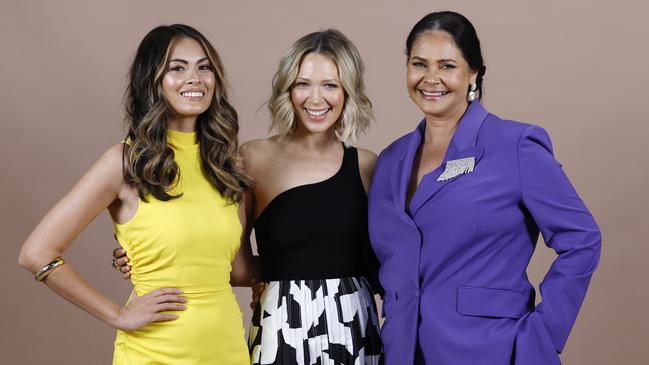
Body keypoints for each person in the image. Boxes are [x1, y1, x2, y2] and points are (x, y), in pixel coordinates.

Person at [367, 11, 602, 365]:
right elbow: (385, 262)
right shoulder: (389, 160)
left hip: (490, 350)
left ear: (473, 73)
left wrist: (544, 332)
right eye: (419, 64)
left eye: (447, 65)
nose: (431, 78)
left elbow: (582, 239)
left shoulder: (515, 145)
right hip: (401, 351)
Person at [19, 24, 254, 364]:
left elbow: (236, 270)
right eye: (177, 68)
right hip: (154, 353)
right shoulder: (125, 162)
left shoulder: (225, 165)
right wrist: (119, 315)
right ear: (152, 81)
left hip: (227, 349)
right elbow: (36, 253)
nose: (195, 78)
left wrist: (326, 261)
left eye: (204, 67)